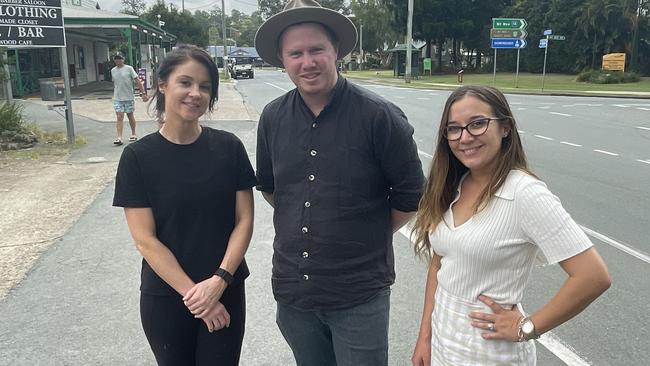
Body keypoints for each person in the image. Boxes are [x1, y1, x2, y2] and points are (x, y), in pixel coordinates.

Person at [254, 1, 425, 365]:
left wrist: (363, 229)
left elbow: (410, 196)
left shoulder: (380, 117)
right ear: (283, 60)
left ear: (336, 52)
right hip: (293, 292)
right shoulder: (272, 117)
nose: (307, 62)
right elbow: (272, 189)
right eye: (295, 53)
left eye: (317, 49)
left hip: (358, 294)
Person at [410, 85, 611, 365]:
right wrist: (425, 337)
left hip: (491, 355)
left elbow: (593, 276)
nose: (464, 137)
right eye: (453, 129)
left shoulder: (525, 193)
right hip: (445, 346)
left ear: (505, 128)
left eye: (478, 124)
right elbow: (439, 263)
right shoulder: (453, 183)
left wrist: (527, 327)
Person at [112, 44, 256, 365]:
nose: (196, 93)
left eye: (205, 86)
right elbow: (144, 239)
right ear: (162, 85)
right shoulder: (138, 158)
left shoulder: (229, 148)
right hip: (166, 296)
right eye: (185, 82)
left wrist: (219, 281)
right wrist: (198, 296)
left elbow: (244, 220)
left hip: (226, 288)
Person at [111, 52, 148, 146]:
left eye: (120, 58)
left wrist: (143, 93)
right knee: (119, 116)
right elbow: (115, 83)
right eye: (116, 59)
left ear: (123, 59)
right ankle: (119, 137)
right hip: (117, 97)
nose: (118, 60)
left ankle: (133, 133)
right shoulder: (113, 70)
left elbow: (137, 81)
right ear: (114, 60)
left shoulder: (129, 69)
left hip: (128, 96)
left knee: (130, 115)